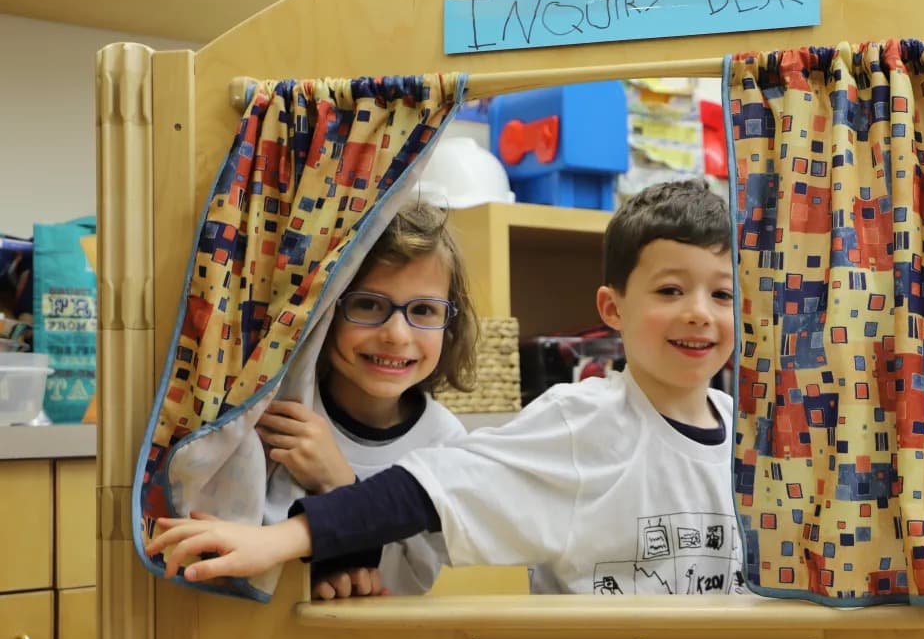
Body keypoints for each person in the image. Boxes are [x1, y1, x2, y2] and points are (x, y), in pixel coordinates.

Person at [148, 179, 744, 596]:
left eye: (722, 294)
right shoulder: (580, 419)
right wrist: (280, 541)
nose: (699, 313)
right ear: (611, 309)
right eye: (670, 290)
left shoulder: (757, 435)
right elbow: (423, 493)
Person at [254, 197, 478, 599]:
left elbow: (412, 580)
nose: (396, 334)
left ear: (450, 323)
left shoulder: (445, 441)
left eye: (424, 310)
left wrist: (338, 482)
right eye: (369, 304)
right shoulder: (287, 412)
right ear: (328, 312)